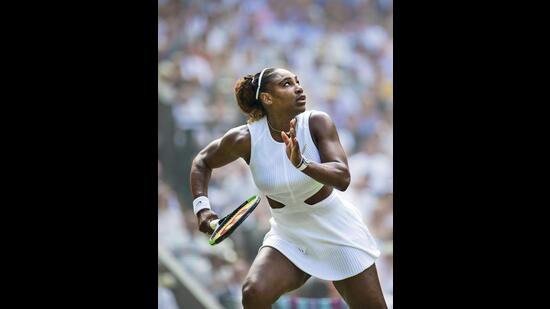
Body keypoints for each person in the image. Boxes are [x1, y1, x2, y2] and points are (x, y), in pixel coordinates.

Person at [190, 67, 388, 308]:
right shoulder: (246, 139)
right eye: (286, 84)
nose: (298, 88)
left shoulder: (317, 122)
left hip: (337, 232)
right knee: (254, 293)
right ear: (267, 98)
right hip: (288, 235)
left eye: (297, 82)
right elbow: (202, 161)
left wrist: (302, 164)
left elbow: (343, 177)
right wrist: (202, 208)